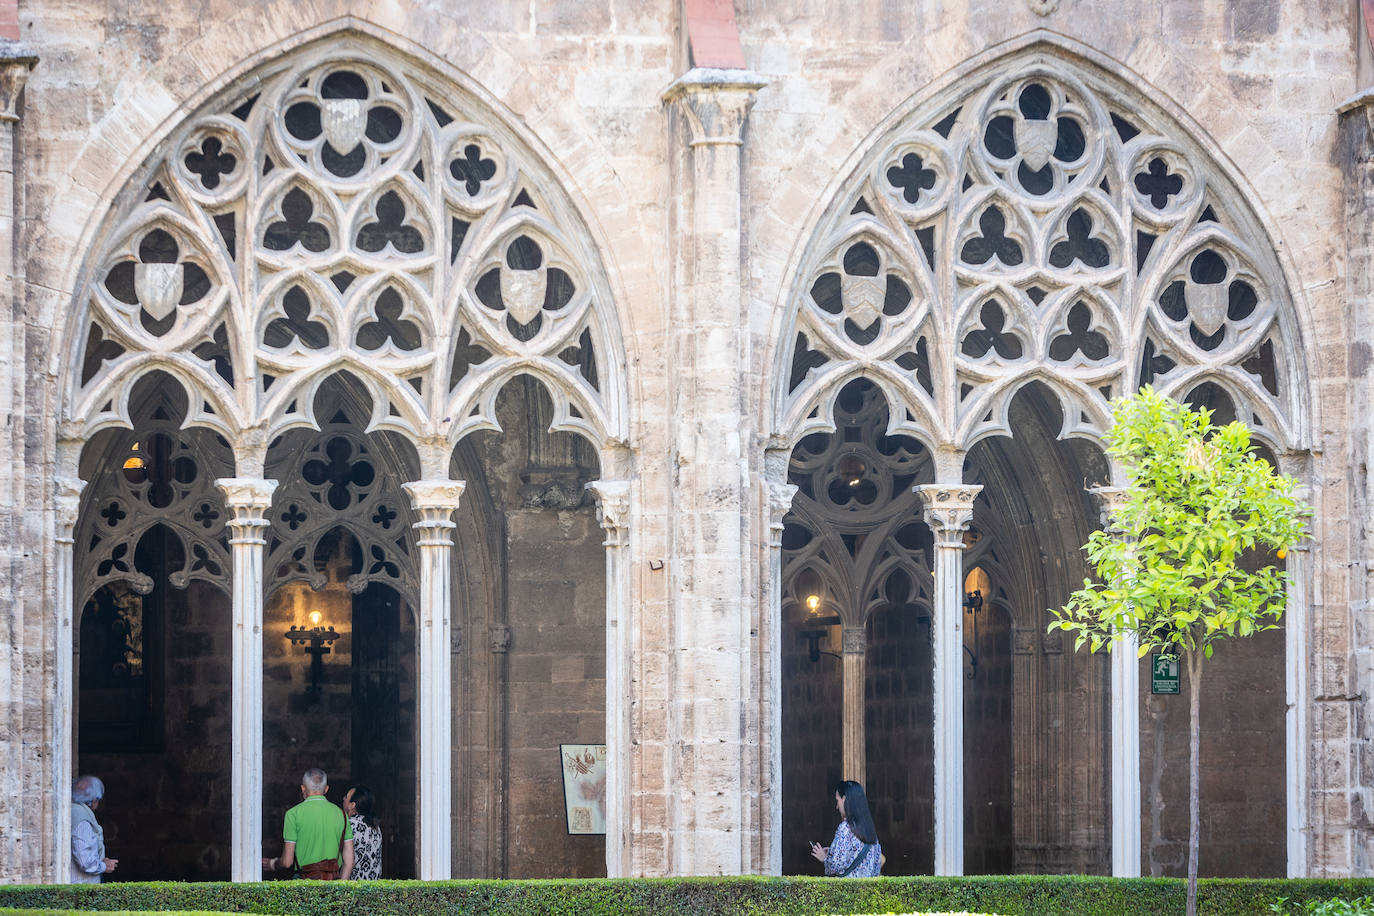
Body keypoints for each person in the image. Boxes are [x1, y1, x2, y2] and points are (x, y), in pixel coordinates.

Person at [262, 767, 354, 880]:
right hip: (332, 882)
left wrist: (273, 864)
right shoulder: (342, 815)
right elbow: (349, 861)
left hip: (303, 883)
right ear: (326, 789)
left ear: (303, 788)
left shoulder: (293, 814)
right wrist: (340, 887)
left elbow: (287, 862)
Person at [809, 779, 882, 877]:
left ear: (844, 799)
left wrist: (824, 858)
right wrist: (832, 851)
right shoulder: (870, 830)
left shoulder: (846, 827)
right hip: (867, 890)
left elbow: (835, 866)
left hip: (849, 890)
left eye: (837, 800)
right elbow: (876, 866)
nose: (837, 806)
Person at [71, 775, 118, 884]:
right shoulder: (81, 820)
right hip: (81, 885)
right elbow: (85, 862)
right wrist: (104, 866)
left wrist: (100, 861)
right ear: (93, 800)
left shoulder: (72, 811)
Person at [342, 784, 382, 880]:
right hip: (374, 885)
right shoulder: (375, 826)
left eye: (346, 797)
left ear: (352, 805)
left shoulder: (350, 825)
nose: (343, 799)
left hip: (356, 887)